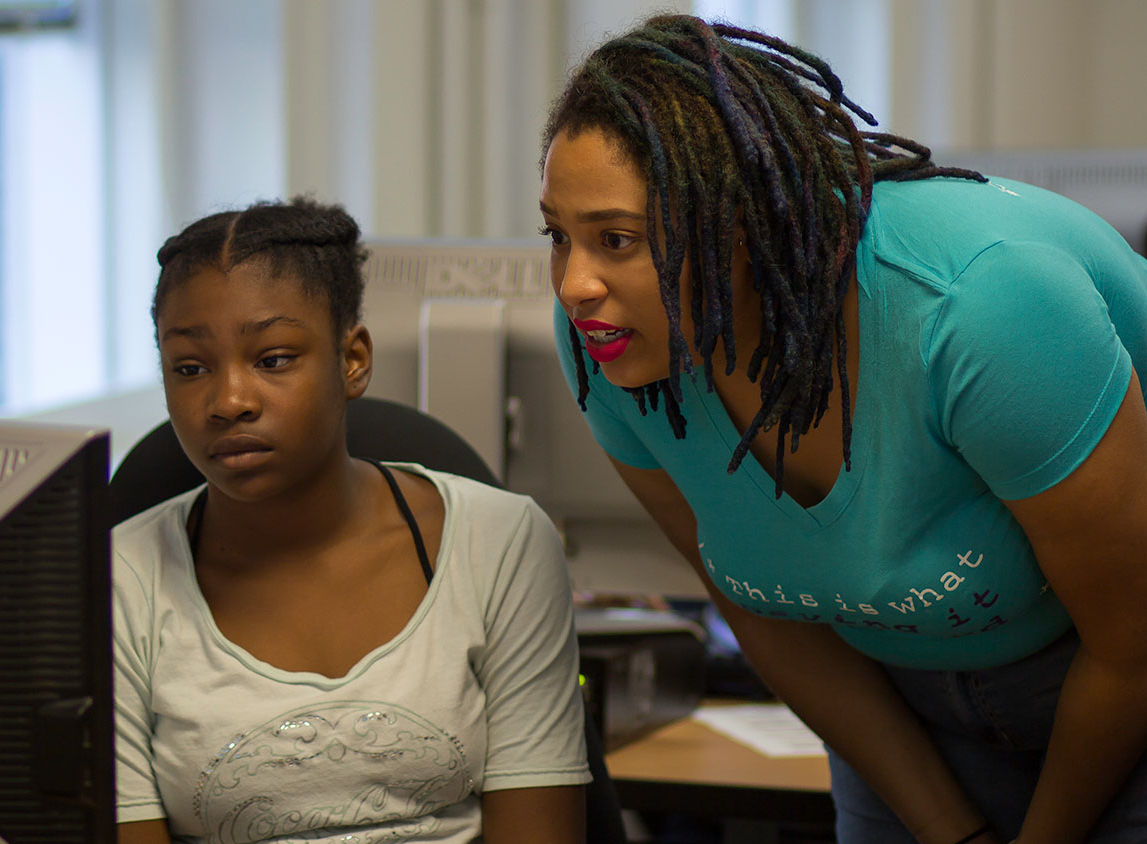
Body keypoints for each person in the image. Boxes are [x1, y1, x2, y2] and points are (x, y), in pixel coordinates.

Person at [539, 14, 1147, 844]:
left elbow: (1132, 640)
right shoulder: (611, 346)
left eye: (616, 240)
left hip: (1117, 680)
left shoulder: (977, 306)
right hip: (896, 704)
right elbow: (759, 609)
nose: (575, 284)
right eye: (558, 236)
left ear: (745, 223)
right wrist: (950, 829)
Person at [113, 197, 590, 844]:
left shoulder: (501, 544)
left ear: (353, 360)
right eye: (190, 369)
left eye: (272, 359)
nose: (228, 401)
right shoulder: (120, 580)